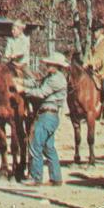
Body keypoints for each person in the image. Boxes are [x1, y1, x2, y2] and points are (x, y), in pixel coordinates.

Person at [15, 51, 69, 186]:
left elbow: (41, 93)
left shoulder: (56, 79)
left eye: (50, 64)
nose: (47, 66)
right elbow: (37, 82)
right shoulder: (52, 77)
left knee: (35, 144)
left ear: (56, 66)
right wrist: (22, 81)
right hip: (50, 116)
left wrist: (23, 90)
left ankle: (36, 177)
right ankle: (56, 178)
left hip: (47, 115)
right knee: (48, 147)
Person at [86, 21, 104, 113]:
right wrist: (85, 63)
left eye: (96, 31)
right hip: (93, 72)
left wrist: (95, 65)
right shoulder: (94, 44)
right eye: (93, 31)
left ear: (101, 31)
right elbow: (89, 57)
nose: (94, 33)